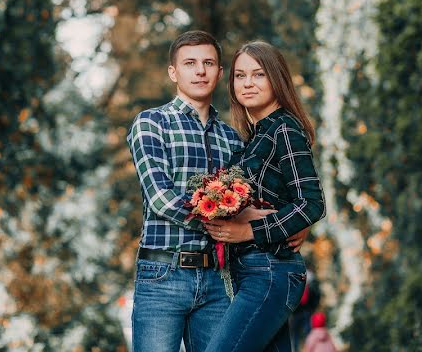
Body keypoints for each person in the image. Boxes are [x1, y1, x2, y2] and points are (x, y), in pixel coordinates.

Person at [128, 31, 306, 352]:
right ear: (173, 72)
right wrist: (232, 225)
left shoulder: (233, 139)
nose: (200, 71)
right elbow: (160, 199)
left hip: (219, 278)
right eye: (190, 63)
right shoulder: (151, 123)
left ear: (220, 73)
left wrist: (291, 224)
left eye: (208, 63)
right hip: (162, 275)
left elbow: (269, 197)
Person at [203, 41, 326, 352]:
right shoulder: (258, 136)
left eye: (258, 75)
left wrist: (248, 230)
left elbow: (312, 202)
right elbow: (287, 200)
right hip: (254, 272)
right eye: (240, 76)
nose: (247, 83)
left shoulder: (284, 128)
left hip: (270, 272)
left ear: (276, 79)